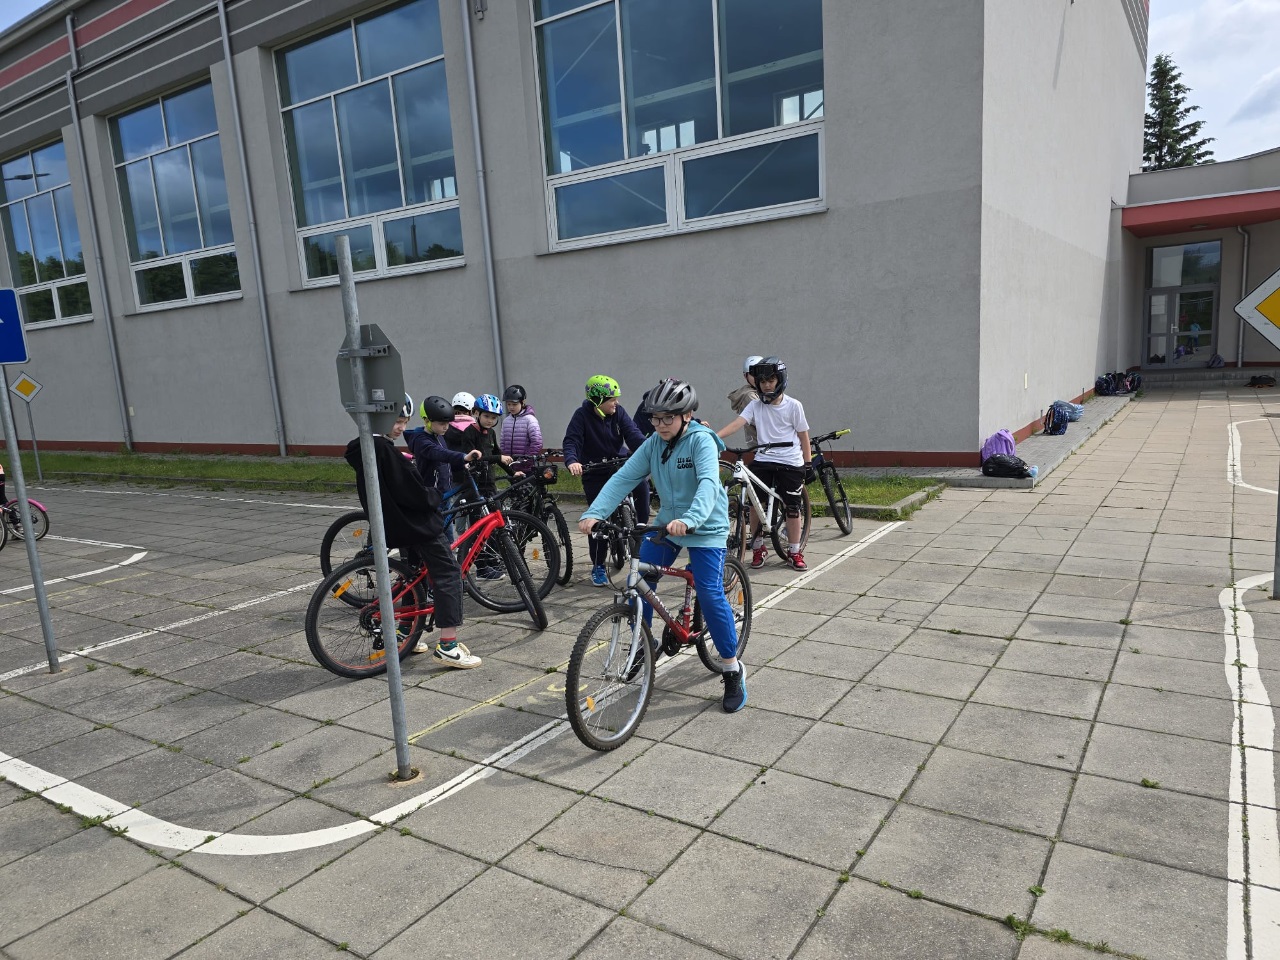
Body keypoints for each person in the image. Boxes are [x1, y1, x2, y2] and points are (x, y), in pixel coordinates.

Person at [578, 378, 746, 713]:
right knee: (639, 579)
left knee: (710, 593)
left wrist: (692, 518)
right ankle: (646, 640)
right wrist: (595, 512)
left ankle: (732, 669)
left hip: (705, 525)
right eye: (655, 418)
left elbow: (708, 483)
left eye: (668, 417)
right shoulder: (654, 443)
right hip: (669, 522)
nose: (660, 424)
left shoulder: (701, 442)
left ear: (687, 415)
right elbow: (625, 477)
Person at [343, 395, 479, 669]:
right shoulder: (387, 451)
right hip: (418, 525)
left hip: (397, 525)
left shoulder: (367, 448)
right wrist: (433, 495)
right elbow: (415, 494)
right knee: (449, 574)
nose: (401, 427)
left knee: (412, 576)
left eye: (404, 421)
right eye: (397, 421)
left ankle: (406, 633)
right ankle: (448, 645)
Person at [717, 357, 812, 571]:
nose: (767, 385)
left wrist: (808, 464)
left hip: (790, 461)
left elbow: (803, 436)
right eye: (762, 381)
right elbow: (738, 423)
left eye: (771, 380)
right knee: (754, 504)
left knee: (792, 508)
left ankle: (794, 551)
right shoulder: (755, 405)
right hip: (763, 459)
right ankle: (758, 548)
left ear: (780, 380)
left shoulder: (794, 406)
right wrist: (714, 436)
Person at [563, 374, 650, 587]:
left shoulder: (619, 413)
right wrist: (573, 461)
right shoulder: (581, 416)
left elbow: (633, 434)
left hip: (619, 465)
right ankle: (598, 565)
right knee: (598, 521)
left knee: (642, 487)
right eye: (612, 399)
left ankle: (641, 530)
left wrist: (650, 451)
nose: (616, 403)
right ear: (598, 400)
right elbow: (572, 441)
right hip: (595, 471)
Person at [500, 384, 543, 475]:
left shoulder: (530, 420)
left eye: (514, 404)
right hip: (511, 468)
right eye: (508, 404)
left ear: (522, 402)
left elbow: (537, 443)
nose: (511, 407)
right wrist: (505, 459)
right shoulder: (506, 421)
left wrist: (527, 461)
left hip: (527, 468)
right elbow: (503, 443)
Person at [727, 355, 763, 447]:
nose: (758, 377)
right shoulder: (749, 396)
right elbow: (766, 421)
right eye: (753, 373)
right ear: (745, 376)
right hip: (762, 448)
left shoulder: (762, 392)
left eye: (761, 372)